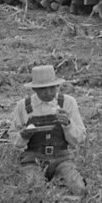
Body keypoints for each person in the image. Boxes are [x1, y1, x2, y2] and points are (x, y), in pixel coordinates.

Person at [7, 65, 87, 194]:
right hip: (33, 160)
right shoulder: (23, 106)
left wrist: (68, 124)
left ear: (57, 86)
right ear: (34, 89)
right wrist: (23, 136)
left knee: (78, 188)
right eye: (43, 89)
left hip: (61, 159)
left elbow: (80, 138)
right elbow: (13, 139)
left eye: (52, 88)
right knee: (35, 190)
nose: (48, 92)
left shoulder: (68, 103)